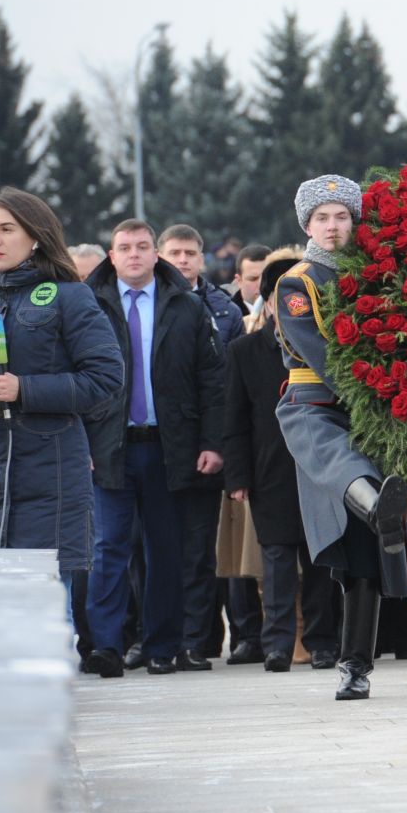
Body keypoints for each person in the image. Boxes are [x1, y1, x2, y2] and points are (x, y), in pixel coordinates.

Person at [273, 175, 407, 700]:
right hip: (317, 407)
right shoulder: (298, 282)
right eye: (322, 218)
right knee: (341, 477)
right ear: (306, 224)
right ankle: (380, 508)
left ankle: (356, 664)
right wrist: (379, 391)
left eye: (342, 217)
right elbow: (320, 352)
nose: (332, 227)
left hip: (372, 412)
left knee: (363, 553)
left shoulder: (378, 276)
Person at [81, 218, 226, 677]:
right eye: (125, 247)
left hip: (169, 445)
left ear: (155, 254)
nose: (135, 254)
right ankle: (106, 645)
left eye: (143, 246)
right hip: (108, 446)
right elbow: (76, 380)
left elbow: (212, 381)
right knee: (109, 548)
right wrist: (78, 444)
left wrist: (212, 443)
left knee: (166, 549)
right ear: (112, 255)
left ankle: (162, 645)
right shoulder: (89, 306)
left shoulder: (186, 306)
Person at [0, 188, 124, 659]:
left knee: (40, 612)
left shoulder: (70, 297)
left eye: (7, 228)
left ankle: (41, 721)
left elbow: (106, 377)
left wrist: (23, 389)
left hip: (46, 476)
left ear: (36, 236)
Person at [224, 247, 338, 671]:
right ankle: (276, 644)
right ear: (269, 302)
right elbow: (233, 419)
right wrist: (237, 476)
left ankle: (322, 642)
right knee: (275, 564)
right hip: (269, 470)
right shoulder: (244, 351)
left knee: (321, 558)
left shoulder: (325, 345)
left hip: (320, 466)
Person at [158, 222, 255, 664]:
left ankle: (199, 640)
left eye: (189, 253)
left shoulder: (222, 310)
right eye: (174, 253)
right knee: (157, 550)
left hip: (206, 444)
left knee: (204, 550)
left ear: (201, 258)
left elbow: (226, 386)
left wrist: (218, 443)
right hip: (156, 443)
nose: (181, 261)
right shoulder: (147, 304)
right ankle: (162, 636)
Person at [226, 243, 274, 318]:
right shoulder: (226, 315)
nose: (261, 285)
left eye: (267, 277)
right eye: (253, 279)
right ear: (239, 281)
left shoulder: (289, 310)